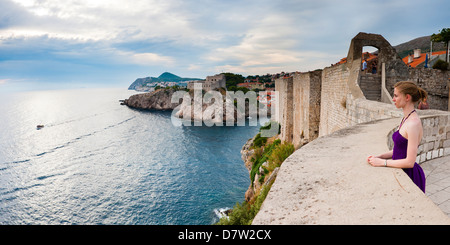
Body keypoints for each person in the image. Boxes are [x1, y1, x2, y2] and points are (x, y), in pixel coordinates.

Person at [367, 81, 427, 193]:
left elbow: (410, 161)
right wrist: (380, 156)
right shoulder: (405, 118)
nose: (393, 99)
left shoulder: (413, 123)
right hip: (401, 172)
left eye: (396, 95)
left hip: (410, 177)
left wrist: (383, 163)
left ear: (407, 97)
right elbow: (399, 150)